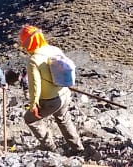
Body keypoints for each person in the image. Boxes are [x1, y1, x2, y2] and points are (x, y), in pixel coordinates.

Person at [18, 24, 85, 154]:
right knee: (64, 119)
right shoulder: (54, 49)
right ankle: (78, 148)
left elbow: (35, 85)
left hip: (50, 99)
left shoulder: (33, 60)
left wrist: (34, 104)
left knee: (30, 119)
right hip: (64, 93)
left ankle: (49, 147)